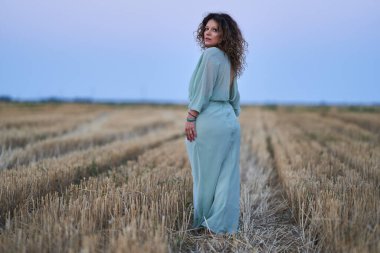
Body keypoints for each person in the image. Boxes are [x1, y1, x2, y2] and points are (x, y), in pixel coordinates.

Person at [184, 12, 247, 234]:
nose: (208, 33)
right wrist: (229, 117)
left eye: (215, 30)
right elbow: (234, 97)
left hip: (209, 119)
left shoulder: (211, 55)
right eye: (206, 28)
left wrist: (191, 117)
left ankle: (202, 223)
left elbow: (203, 91)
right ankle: (222, 226)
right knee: (226, 177)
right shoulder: (229, 59)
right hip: (229, 120)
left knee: (204, 177)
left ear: (224, 36)